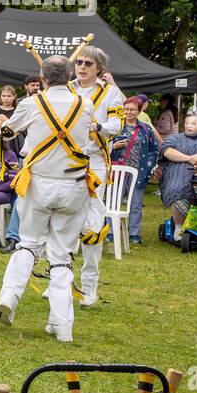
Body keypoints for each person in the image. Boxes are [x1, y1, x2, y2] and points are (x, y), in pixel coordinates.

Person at [0, 55, 94, 343]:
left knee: (27, 243)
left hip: (39, 184)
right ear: (71, 74)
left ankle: (10, 298)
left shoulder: (31, 103)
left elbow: (8, 131)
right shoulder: (84, 104)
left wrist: (4, 124)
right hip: (74, 186)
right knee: (61, 255)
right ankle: (62, 325)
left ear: (43, 78)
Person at [70, 45, 125, 307]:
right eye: (79, 62)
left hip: (95, 162)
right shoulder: (66, 89)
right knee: (63, 217)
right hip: (65, 160)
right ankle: (60, 278)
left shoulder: (111, 93)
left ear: (99, 68)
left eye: (88, 64)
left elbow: (117, 126)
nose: (81, 67)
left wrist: (96, 126)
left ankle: (90, 286)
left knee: (92, 221)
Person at [109, 96, 161, 244]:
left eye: (132, 109)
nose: (129, 112)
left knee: (136, 204)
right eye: (126, 109)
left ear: (139, 111)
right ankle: (111, 232)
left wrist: (150, 164)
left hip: (139, 170)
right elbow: (104, 146)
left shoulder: (146, 128)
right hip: (117, 170)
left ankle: (134, 234)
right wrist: (114, 146)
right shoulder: (115, 127)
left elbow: (153, 149)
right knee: (114, 202)